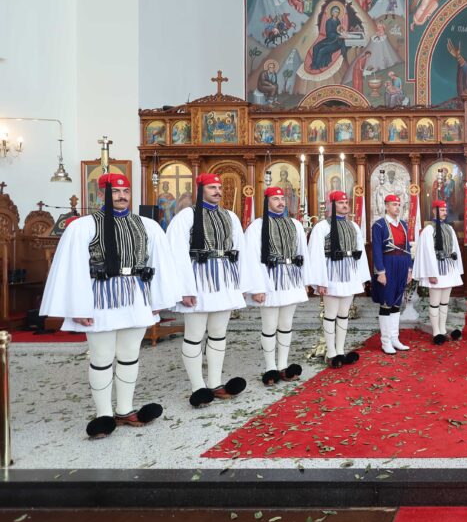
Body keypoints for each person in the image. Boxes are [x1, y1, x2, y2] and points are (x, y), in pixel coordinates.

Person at [41, 173, 180, 439]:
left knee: (130, 354)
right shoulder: (83, 226)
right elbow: (74, 269)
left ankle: (125, 410)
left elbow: (158, 265)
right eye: (115, 191)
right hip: (100, 299)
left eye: (126, 190)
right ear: (103, 194)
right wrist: (79, 307)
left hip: (136, 296)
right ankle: (104, 415)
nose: (122, 195)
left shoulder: (147, 225)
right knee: (102, 358)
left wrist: (156, 302)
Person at [167, 173, 252, 407]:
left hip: (224, 281)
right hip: (198, 282)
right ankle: (198, 387)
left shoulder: (230, 216)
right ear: (200, 189)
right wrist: (185, 288)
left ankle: (214, 383)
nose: (217, 191)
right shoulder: (186, 217)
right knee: (194, 335)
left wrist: (242, 285)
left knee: (218, 332)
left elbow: (240, 249)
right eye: (212, 187)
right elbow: (176, 253)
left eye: (219, 187)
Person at [244, 186, 309, 385]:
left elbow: (302, 253)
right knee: (270, 325)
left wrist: (305, 281)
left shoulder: (295, 225)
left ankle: (282, 365)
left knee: (286, 325)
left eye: (283, 198)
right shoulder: (257, 226)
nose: (281, 202)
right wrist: (257, 287)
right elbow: (252, 257)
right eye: (276, 199)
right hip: (269, 280)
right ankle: (270, 367)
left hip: (291, 279)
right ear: (267, 202)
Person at [306, 191, 370, 367]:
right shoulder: (322, 227)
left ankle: (341, 350)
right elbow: (315, 255)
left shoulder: (353, 226)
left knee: (344, 314)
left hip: (349, 274)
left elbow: (360, 254)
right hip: (331, 275)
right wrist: (320, 281)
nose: (345, 205)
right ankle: (331, 352)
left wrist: (362, 277)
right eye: (340, 202)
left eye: (346, 202)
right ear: (332, 205)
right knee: (330, 314)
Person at [412, 200, 464, 344]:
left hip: (448, 269)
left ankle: (442, 329)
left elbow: (455, 249)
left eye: (445, 210)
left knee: (445, 302)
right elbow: (427, 253)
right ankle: (435, 331)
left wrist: (456, 268)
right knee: (435, 302)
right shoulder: (429, 230)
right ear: (434, 211)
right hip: (436, 269)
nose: (445, 212)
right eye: (441, 210)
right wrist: (431, 273)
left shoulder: (449, 228)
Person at [371, 193, 413, 354]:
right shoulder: (379, 225)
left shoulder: (403, 224)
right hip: (388, 264)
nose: (397, 207)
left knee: (397, 302)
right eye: (394, 205)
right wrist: (380, 271)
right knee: (386, 302)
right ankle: (385, 341)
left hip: (402, 264)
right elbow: (376, 250)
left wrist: (409, 269)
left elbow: (408, 248)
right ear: (386, 206)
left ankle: (395, 338)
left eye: (398, 204)